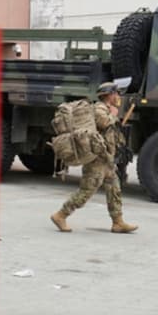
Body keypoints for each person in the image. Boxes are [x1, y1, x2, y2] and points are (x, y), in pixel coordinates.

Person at [50, 82, 138, 234]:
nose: (118, 97)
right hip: (96, 159)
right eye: (116, 93)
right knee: (86, 191)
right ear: (108, 95)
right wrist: (114, 115)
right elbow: (103, 122)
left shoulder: (107, 109)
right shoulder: (99, 108)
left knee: (114, 188)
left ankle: (118, 222)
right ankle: (61, 215)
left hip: (106, 158)